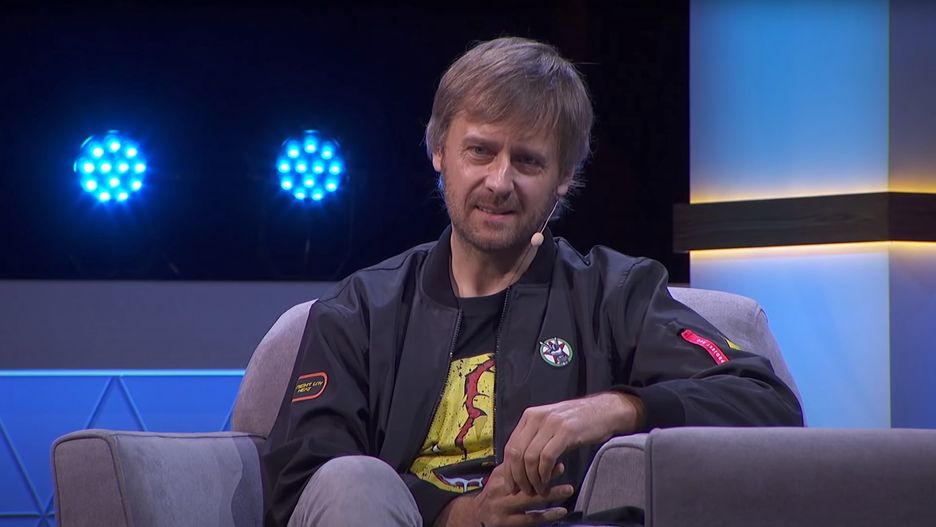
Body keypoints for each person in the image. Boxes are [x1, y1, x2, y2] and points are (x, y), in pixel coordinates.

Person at [262, 36, 803, 527]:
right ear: (439, 152)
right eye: (480, 150)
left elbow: (766, 403)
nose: (499, 182)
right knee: (351, 478)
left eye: (527, 161)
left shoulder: (614, 296)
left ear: (563, 177)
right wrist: (459, 515)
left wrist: (617, 407)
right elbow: (300, 477)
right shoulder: (361, 310)